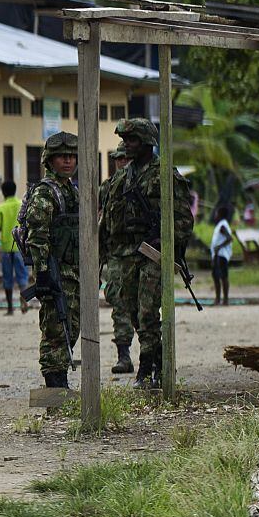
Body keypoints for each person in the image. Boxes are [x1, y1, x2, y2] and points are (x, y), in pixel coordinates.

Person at [100, 118, 194, 389]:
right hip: (126, 254)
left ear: (147, 143)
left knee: (148, 311)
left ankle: (147, 368)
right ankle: (157, 359)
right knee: (130, 310)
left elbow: (184, 220)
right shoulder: (120, 178)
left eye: (133, 140)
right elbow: (108, 219)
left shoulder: (165, 174)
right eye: (125, 139)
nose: (127, 145)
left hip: (154, 254)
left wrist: (165, 240)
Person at [24, 132, 80, 389]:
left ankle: (60, 381)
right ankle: (55, 384)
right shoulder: (45, 193)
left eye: (71, 156)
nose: (68, 161)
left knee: (73, 325)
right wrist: (43, 272)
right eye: (62, 157)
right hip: (55, 270)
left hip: (74, 270)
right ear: (50, 160)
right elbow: (38, 235)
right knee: (56, 327)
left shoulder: (73, 191)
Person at [99, 145, 135, 375]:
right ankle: (124, 355)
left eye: (125, 158)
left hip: (140, 253)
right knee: (118, 300)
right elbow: (100, 220)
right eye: (117, 159)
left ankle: (152, 358)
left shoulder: (143, 183)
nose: (121, 162)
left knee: (144, 307)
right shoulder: (107, 187)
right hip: (115, 254)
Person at [0, 180, 29, 316]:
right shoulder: (21, 205)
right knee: (22, 276)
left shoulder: (0, 208)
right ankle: (24, 301)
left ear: (3, 192)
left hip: (6, 247)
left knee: (7, 278)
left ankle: (10, 308)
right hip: (20, 246)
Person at [211, 205, 233, 306]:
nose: (215, 215)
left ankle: (225, 300)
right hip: (217, 255)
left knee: (223, 277)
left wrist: (219, 247)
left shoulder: (223, 225)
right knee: (216, 277)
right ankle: (218, 299)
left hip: (221, 255)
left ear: (220, 215)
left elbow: (229, 238)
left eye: (216, 213)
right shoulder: (220, 225)